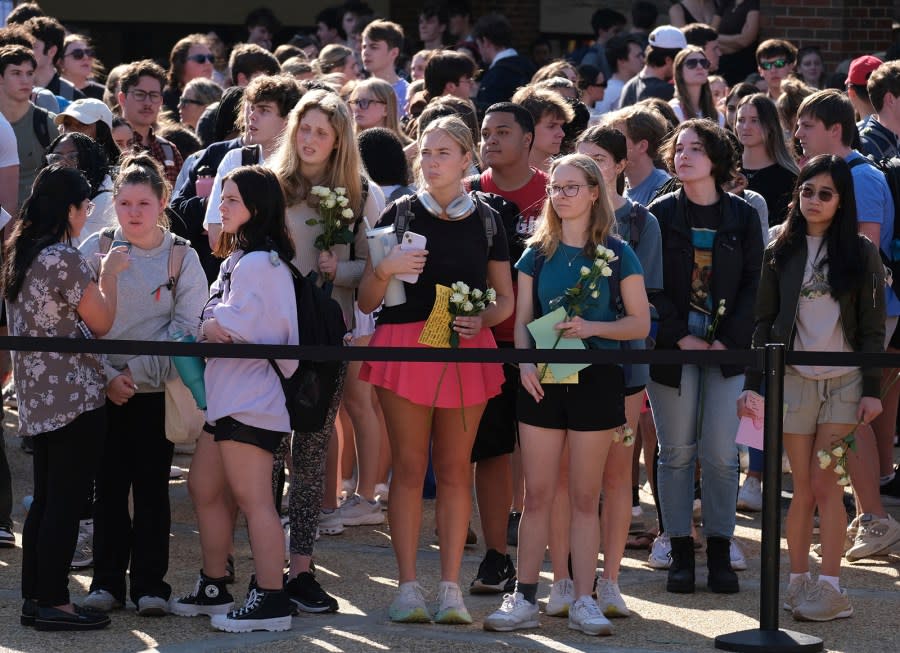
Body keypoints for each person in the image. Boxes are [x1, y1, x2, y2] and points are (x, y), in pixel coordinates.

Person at [483, 152, 649, 635]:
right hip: (544, 378)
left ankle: (583, 597)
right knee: (536, 496)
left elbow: (639, 321)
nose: (561, 195)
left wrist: (591, 325)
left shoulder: (619, 252)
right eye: (556, 187)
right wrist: (526, 365)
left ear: (595, 192)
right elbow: (521, 323)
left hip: (597, 377)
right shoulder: (536, 252)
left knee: (584, 496)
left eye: (572, 187)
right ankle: (524, 597)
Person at [358, 115, 513, 624]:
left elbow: (505, 301)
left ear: (468, 159)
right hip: (405, 344)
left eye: (444, 152)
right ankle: (407, 588)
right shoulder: (399, 212)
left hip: (466, 349)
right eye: (426, 151)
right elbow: (367, 298)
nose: (432, 160)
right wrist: (384, 269)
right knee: (407, 469)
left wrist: (481, 319)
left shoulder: (489, 219)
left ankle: (450, 589)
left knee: (453, 472)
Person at [738, 154, 886, 621]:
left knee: (827, 486)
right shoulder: (778, 247)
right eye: (807, 191)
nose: (814, 200)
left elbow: (871, 329)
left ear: (841, 200)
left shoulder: (861, 252)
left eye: (825, 193)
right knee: (800, 487)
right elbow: (762, 321)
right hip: (794, 381)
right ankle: (798, 582)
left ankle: (832, 587)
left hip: (844, 383)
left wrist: (871, 388)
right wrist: (754, 385)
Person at [78, 153, 208, 617]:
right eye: (126, 203)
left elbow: (186, 327)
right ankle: (106, 582)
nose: (134, 212)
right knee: (107, 488)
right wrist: (109, 376)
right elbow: (77, 322)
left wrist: (137, 372)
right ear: (114, 204)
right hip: (101, 388)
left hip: (157, 392)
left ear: (162, 202)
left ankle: (152, 585)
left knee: (152, 488)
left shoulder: (183, 256)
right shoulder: (95, 247)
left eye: (144, 203)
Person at [171, 165, 299, 632]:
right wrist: (211, 325)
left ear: (256, 210)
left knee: (254, 500)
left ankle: (271, 598)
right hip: (228, 397)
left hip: (253, 397)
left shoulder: (262, 262)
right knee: (203, 488)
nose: (220, 207)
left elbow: (233, 326)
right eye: (221, 199)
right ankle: (214, 584)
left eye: (231, 201)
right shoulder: (238, 259)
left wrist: (209, 325)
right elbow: (215, 321)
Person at [270, 87, 381, 609]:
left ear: (339, 141)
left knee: (311, 452)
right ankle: (266, 569)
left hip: (326, 333)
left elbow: (374, 268)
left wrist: (346, 270)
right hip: (270, 332)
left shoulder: (359, 193)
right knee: (267, 447)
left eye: (322, 131)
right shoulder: (271, 185)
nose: (310, 139)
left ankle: (302, 569)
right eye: (304, 128)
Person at [5, 165, 129, 631]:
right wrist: (110, 272)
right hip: (73, 396)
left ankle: (37, 597)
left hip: (37, 395)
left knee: (47, 502)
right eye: (85, 208)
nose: (86, 217)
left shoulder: (23, 250)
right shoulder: (63, 256)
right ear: (72, 209)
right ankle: (55, 601)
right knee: (66, 502)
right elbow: (101, 322)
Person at [646, 119, 763, 595]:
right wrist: (678, 336)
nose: (684, 155)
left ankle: (718, 547)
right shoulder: (658, 214)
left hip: (727, 349)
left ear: (716, 159)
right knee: (675, 453)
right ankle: (678, 547)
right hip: (674, 349)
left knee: (720, 452)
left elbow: (757, 285)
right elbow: (649, 285)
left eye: (696, 148)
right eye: (679, 148)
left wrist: (726, 340)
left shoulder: (742, 215)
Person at [794, 89, 900, 559]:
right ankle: (866, 516)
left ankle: (875, 517)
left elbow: (867, 257)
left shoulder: (863, 179)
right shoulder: (837, 175)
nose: (797, 134)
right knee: (849, 420)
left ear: (835, 130)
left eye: (807, 125)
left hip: (862, 322)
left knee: (852, 419)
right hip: (839, 324)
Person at [575, 126, 663, 615]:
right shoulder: (557, 221)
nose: (591, 169)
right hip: (563, 367)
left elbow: (644, 305)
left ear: (620, 165)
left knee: (614, 475)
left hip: (624, 370)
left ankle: (609, 581)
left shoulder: (639, 224)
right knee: (570, 479)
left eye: (600, 160)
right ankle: (567, 578)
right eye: (581, 160)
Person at [0, 44, 58, 208]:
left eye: (30, 73)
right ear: (0, 77)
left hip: (35, 224)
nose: (25, 80)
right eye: (16, 73)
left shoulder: (47, 124)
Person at [116, 60, 184, 186]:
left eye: (154, 95)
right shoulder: (111, 144)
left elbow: (178, 200)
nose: (147, 102)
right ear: (122, 98)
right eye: (140, 94)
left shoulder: (169, 151)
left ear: (161, 101)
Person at [736, 93, 798, 226]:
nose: (746, 127)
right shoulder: (726, 172)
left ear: (770, 125)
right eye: (741, 120)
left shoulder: (787, 178)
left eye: (754, 120)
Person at [43, 131, 117, 244]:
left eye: (73, 157)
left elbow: (87, 252)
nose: (63, 163)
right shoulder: (45, 195)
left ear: (89, 160)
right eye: (56, 158)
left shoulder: (105, 201)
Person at [472, 14, 536, 113]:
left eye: (478, 45)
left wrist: (473, 100)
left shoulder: (494, 76)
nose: (479, 51)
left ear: (485, 41)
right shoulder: (529, 65)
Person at [618, 25, 686, 109]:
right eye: (682, 60)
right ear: (668, 60)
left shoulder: (628, 86)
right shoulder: (667, 91)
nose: (683, 65)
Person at [511, 86, 573, 173]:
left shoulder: (565, 172)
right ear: (526, 128)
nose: (561, 134)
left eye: (561, 126)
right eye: (551, 126)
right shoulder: (503, 172)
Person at [53, 97, 120, 166]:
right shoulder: (52, 171)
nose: (70, 131)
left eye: (82, 125)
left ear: (103, 133)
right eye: (67, 124)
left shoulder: (120, 174)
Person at [163, 34, 215, 122]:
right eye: (200, 58)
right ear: (180, 64)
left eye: (211, 58)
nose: (208, 63)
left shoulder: (218, 97)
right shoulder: (165, 99)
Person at [361, 19, 408, 114]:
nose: (366, 52)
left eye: (374, 47)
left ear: (394, 52)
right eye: (364, 47)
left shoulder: (407, 94)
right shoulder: (358, 91)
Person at [592, 34, 644, 117]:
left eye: (642, 55)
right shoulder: (609, 91)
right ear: (621, 61)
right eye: (638, 56)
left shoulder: (636, 86)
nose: (643, 60)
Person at [670, 45, 723, 124]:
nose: (699, 66)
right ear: (679, 72)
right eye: (692, 63)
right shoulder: (674, 110)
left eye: (704, 63)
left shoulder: (719, 116)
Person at [712, 0, 760, 86]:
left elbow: (746, 40)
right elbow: (711, 35)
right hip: (722, 65)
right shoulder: (725, 3)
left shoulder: (753, 4)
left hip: (743, 65)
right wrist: (737, 40)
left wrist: (718, 39)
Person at [578, 8, 626, 82]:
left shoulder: (613, 52)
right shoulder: (593, 56)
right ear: (602, 31)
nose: (620, 35)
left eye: (621, 31)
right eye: (616, 31)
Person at [58, 34, 104, 100]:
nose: (86, 57)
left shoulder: (103, 93)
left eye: (88, 52)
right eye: (77, 54)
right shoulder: (51, 92)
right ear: (61, 62)